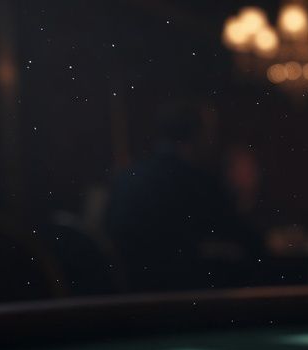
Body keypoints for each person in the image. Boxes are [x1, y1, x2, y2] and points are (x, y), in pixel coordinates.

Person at [104, 103, 263, 289]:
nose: (212, 139)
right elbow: (247, 240)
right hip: (187, 299)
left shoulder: (128, 177)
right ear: (198, 135)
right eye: (210, 131)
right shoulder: (197, 181)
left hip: (133, 295)